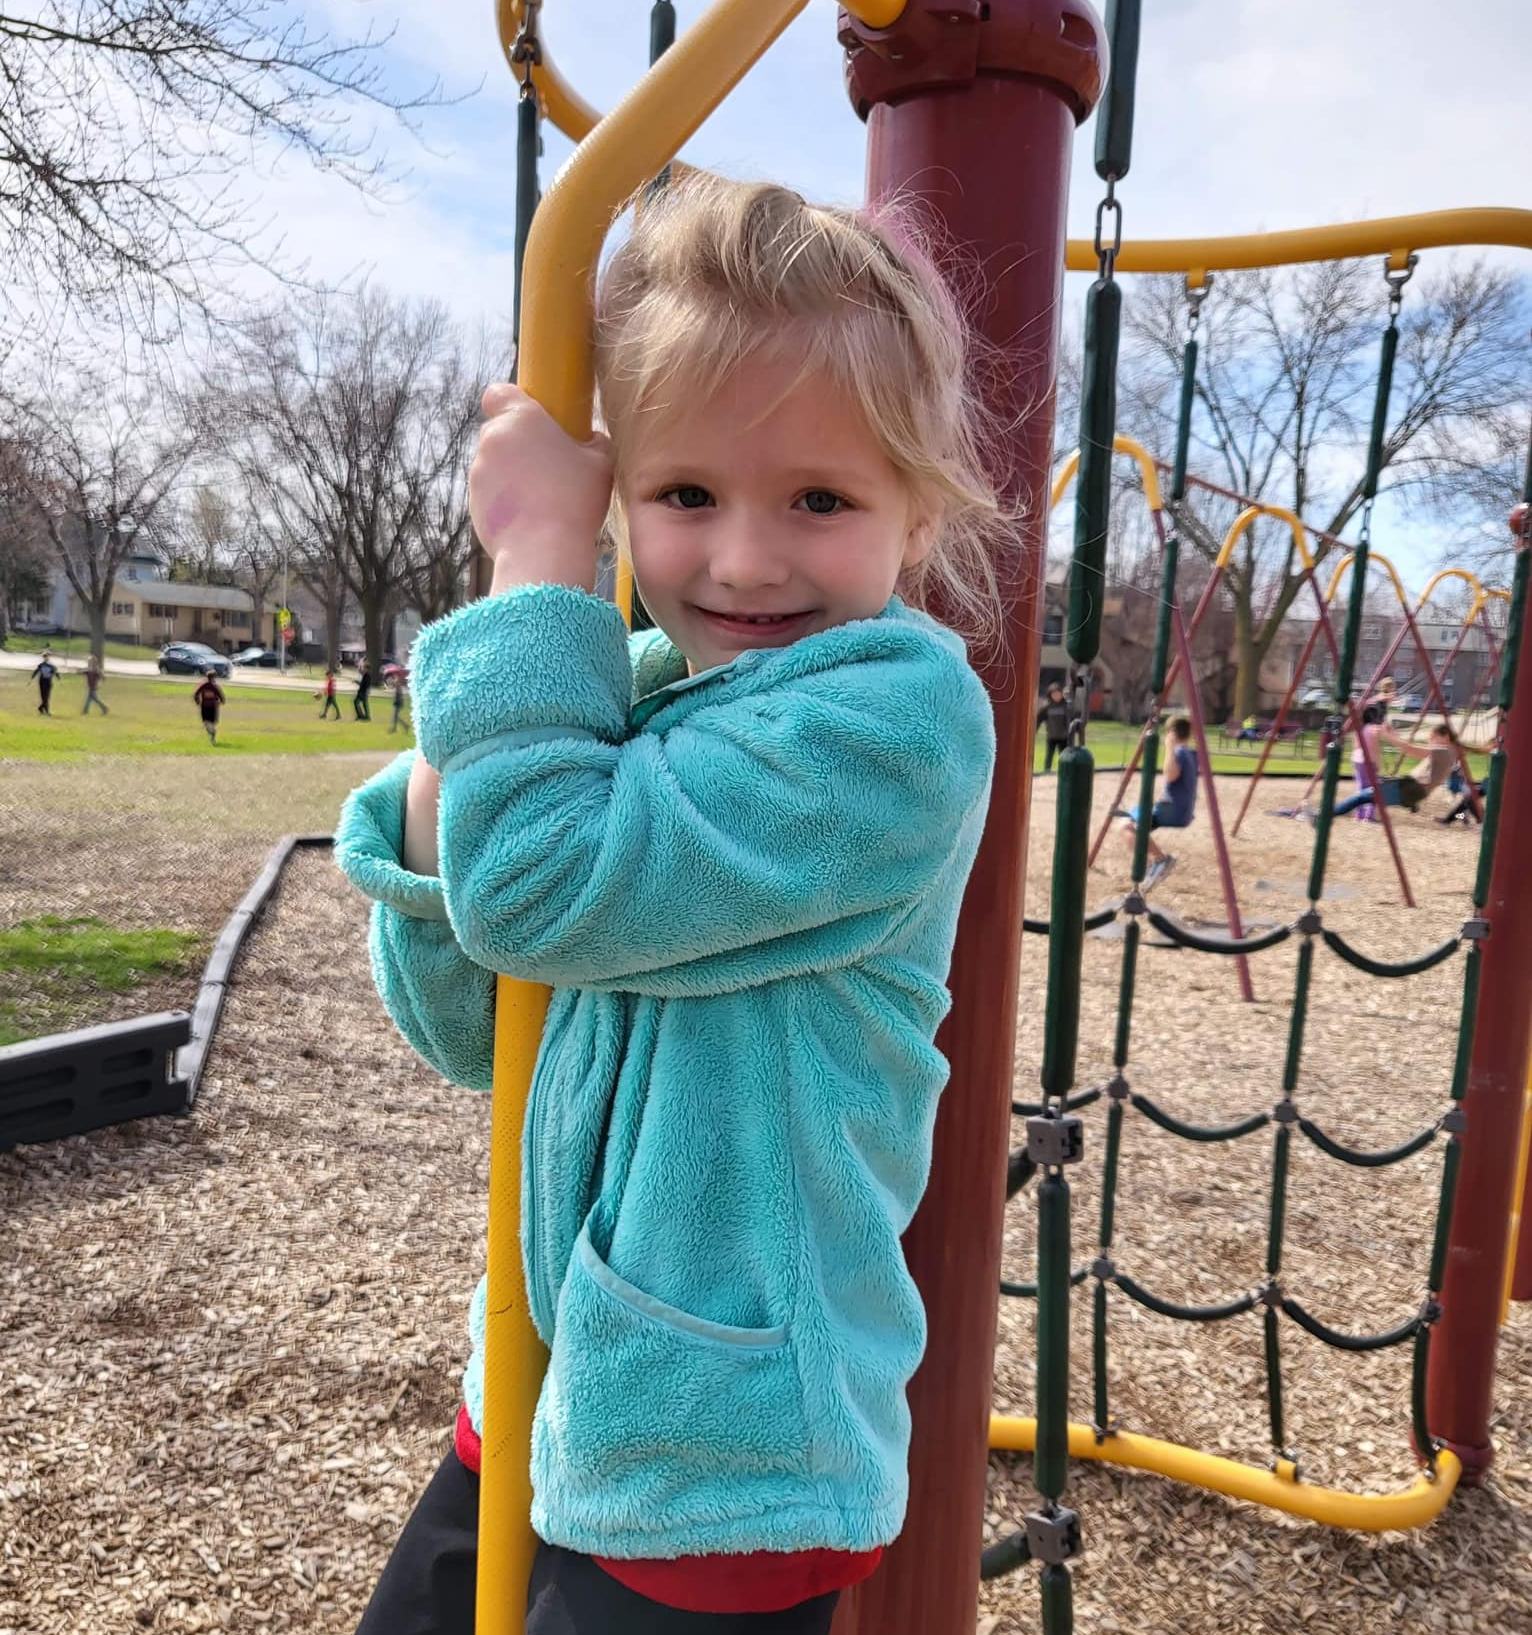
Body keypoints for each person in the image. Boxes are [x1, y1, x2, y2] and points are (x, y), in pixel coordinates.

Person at [333, 175, 1001, 1635]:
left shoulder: (896, 723)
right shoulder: (630, 700)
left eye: (819, 499)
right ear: (619, 490)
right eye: (685, 494)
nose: (747, 556)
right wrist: (472, 746)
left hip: (730, 1441)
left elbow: (538, 890)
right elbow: (476, 1019)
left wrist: (531, 572)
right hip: (550, 1382)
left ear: (920, 510)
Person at [1118, 713, 1198, 888]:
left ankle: (1158, 861)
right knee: (1133, 817)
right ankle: (1153, 864)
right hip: (1181, 810)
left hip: (1172, 811)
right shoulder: (1192, 754)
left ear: (1171, 733)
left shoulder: (1179, 752)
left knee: (1126, 825)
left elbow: (1170, 775)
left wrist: (1169, 746)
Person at [1038, 681, 1069, 771]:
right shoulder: (1047, 707)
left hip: (1063, 737)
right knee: (1049, 755)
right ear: (1050, 694)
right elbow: (1038, 720)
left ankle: (1065, 771)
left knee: (1064, 757)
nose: (1056, 696)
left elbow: (1070, 720)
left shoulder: (1066, 706)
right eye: (1054, 694)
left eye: (1058, 693)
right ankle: (1047, 771)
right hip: (1051, 736)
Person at [192, 668, 225, 746]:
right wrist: (221, 700)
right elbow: (220, 696)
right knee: (211, 723)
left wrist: (197, 701)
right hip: (212, 707)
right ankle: (212, 735)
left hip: (205, 707)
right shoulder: (214, 686)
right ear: (213, 677)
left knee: (206, 722)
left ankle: (211, 734)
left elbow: (196, 693)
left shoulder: (204, 685)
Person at [29, 650, 58, 715]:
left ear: (49, 657)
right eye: (44, 656)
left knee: (47, 697)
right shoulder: (41, 665)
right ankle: (45, 710)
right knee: (43, 697)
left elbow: (55, 672)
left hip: (48, 682)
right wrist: (31, 679)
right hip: (42, 682)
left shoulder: (52, 666)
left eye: (47, 656)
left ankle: (42, 708)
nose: (45, 657)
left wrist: (58, 677)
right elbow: (36, 672)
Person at [388, 668, 408, 735]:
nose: (394, 674)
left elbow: (395, 686)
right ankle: (397, 728)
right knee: (395, 716)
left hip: (398, 701)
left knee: (395, 716)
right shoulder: (397, 681)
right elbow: (394, 687)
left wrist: (391, 681)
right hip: (397, 701)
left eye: (395, 674)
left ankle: (403, 726)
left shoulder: (398, 681)